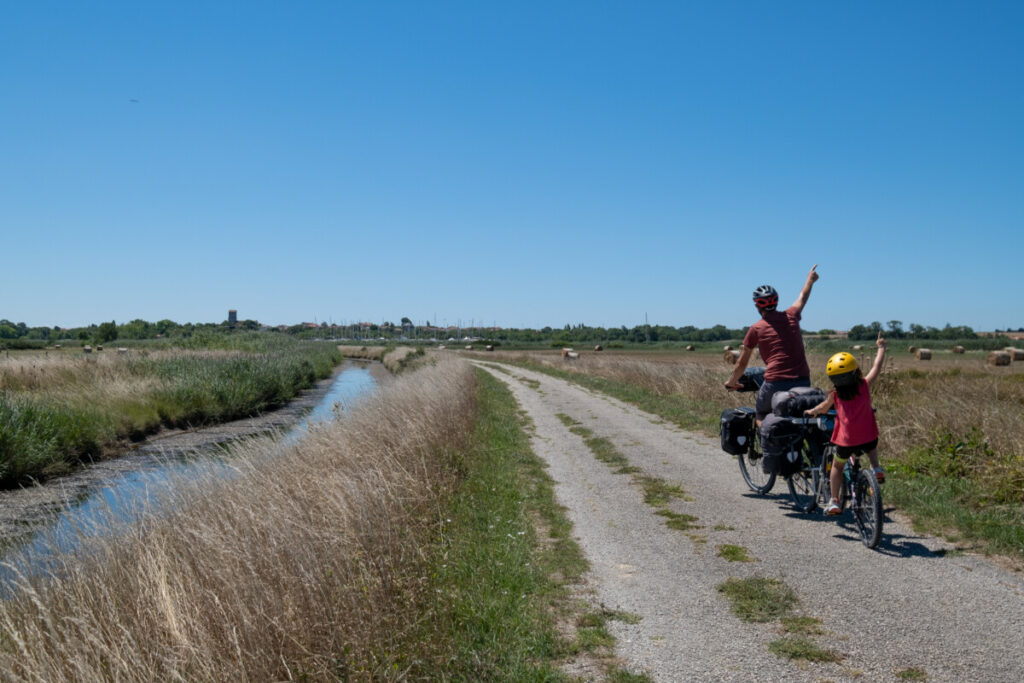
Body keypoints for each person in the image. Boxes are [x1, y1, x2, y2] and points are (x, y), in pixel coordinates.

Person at [805, 332, 887, 515]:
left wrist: (812, 411)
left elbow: (823, 408)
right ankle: (876, 468)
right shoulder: (864, 386)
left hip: (846, 442)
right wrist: (881, 347)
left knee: (837, 467)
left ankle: (834, 501)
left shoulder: (835, 395)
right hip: (868, 437)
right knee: (871, 446)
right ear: (855, 371)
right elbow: (877, 366)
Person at [725, 265, 819, 422]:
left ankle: (767, 444)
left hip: (776, 382)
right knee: (801, 417)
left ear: (756, 306)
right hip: (803, 380)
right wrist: (810, 280)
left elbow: (742, 363)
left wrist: (731, 382)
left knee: (761, 415)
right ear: (777, 301)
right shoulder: (792, 316)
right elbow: (803, 296)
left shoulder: (756, 329)